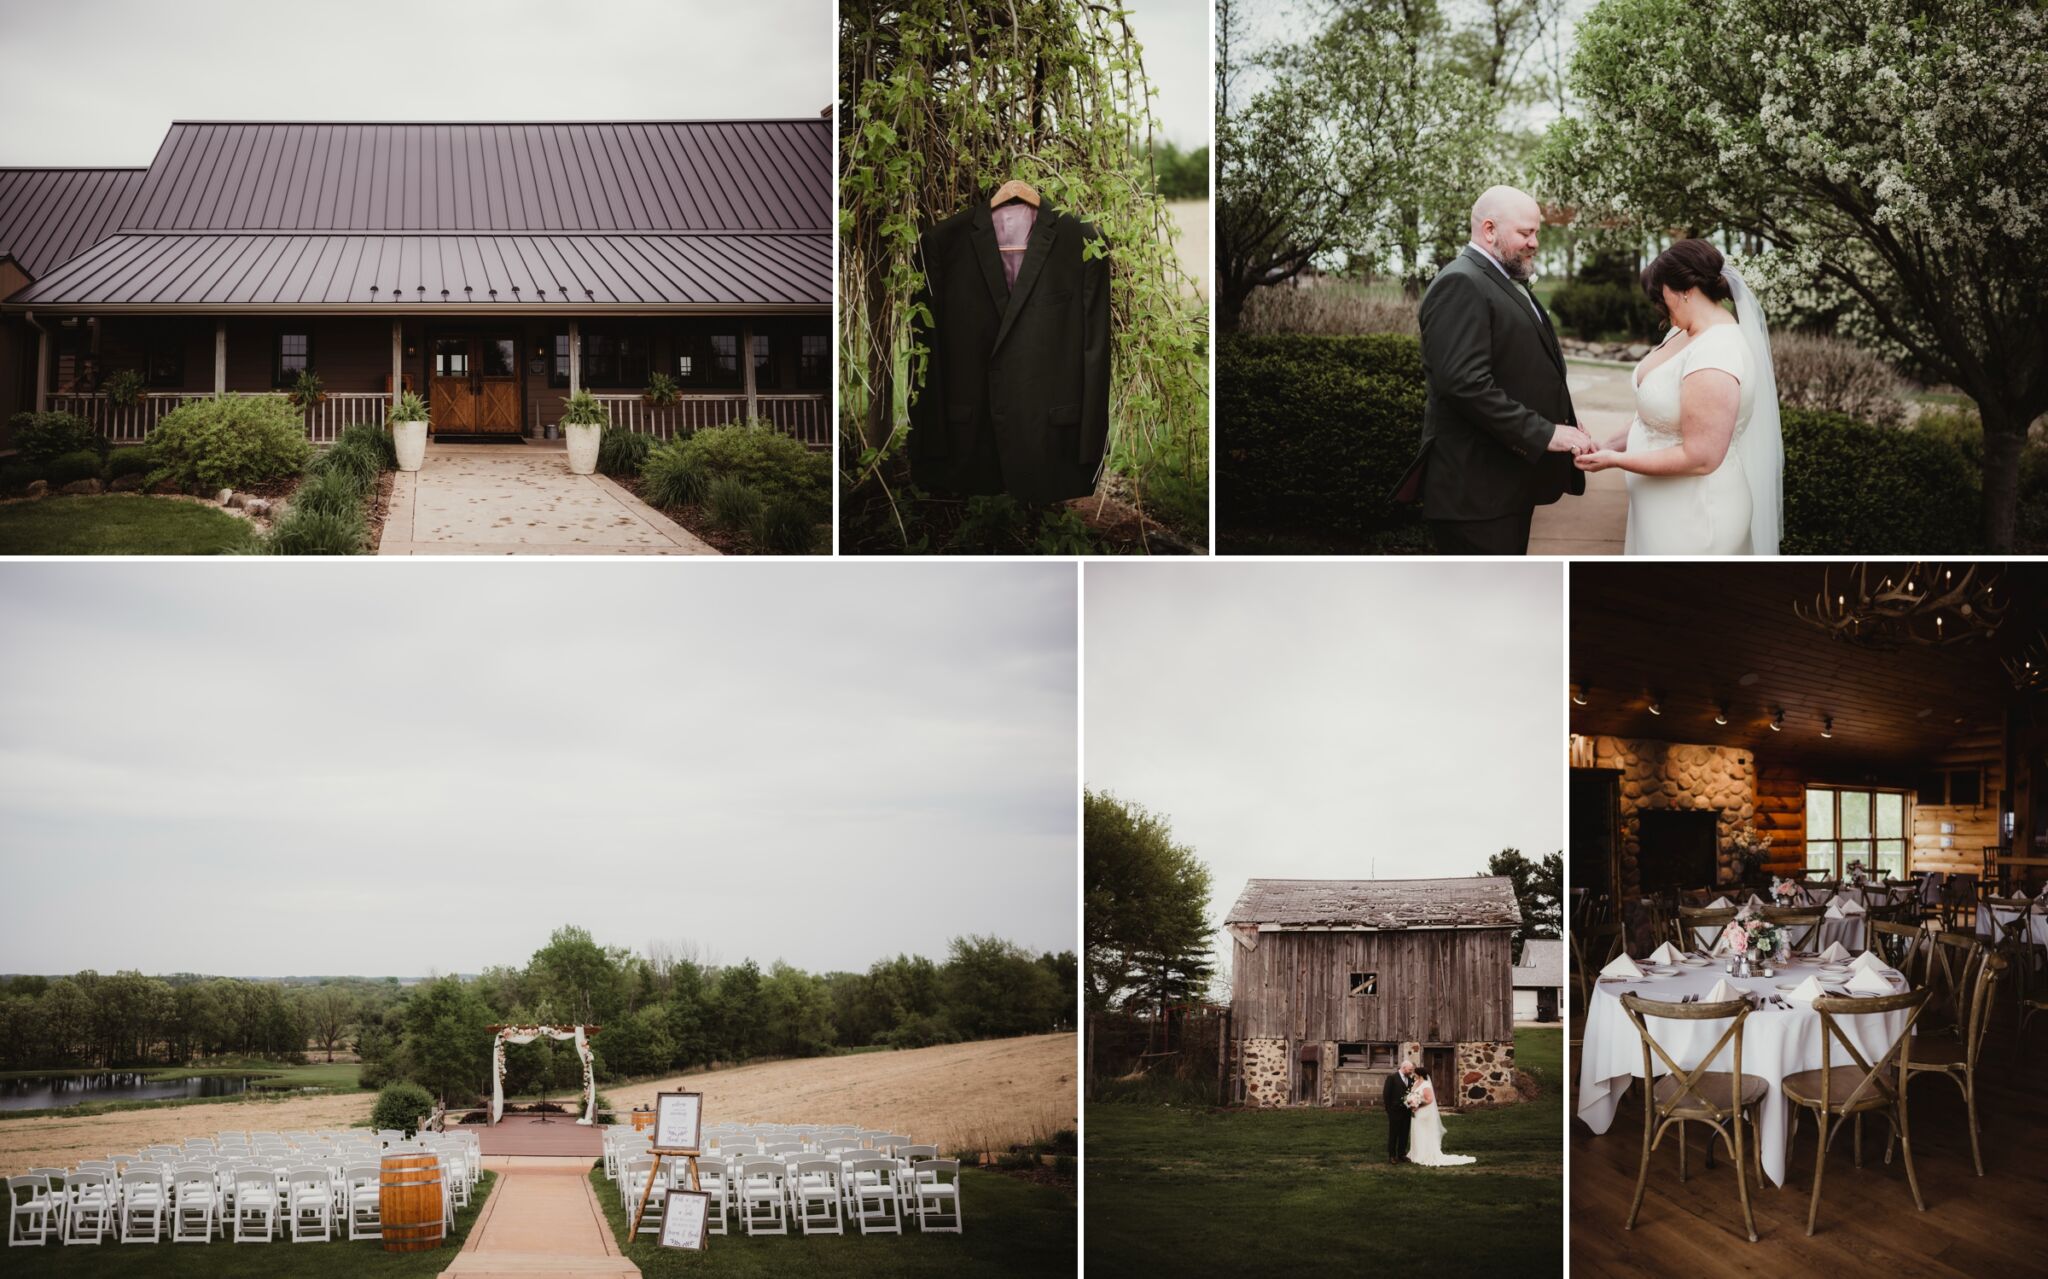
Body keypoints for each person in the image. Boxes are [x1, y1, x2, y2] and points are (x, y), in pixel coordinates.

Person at [1397, 185, 1589, 554]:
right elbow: (1465, 385)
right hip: (1476, 494)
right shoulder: (1461, 282)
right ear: (1489, 230)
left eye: (1536, 232)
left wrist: (1563, 420)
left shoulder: (1501, 279)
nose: (1534, 242)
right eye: (1525, 232)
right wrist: (1545, 432)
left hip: (1503, 486)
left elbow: (1517, 367)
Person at [1571, 238, 1784, 555]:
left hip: (1695, 515)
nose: (1657, 302)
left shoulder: (1717, 350)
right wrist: (1607, 445)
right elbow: (1658, 416)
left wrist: (1617, 461)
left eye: (1660, 293)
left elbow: (1702, 457)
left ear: (1684, 289)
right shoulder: (1682, 332)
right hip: (1660, 509)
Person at [1405, 1066, 1477, 1167]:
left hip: (1423, 1112)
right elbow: (1411, 1095)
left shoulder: (1425, 1085)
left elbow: (1429, 1100)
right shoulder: (1416, 1083)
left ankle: (1424, 1155)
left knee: (1423, 1132)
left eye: (1415, 1073)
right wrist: (1410, 1102)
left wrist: (1418, 1104)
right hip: (1415, 1113)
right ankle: (1416, 1154)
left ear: (1419, 1074)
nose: (1414, 1075)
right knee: (1416, 1132)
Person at [1382, 1059, 1414, 1165]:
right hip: (1394, 1111)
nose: (1411, 1071)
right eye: (1410, 1069)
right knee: (1394, 1134)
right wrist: (1389, 1110)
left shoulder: (1410, 1079)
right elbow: (1386, 1095)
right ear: (1404, 1067)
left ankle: (1402, 1154)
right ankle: (1392, 1156)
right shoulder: (1392, 1078)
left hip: (1406, 1112)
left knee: (1404, 1133)